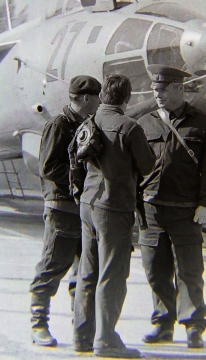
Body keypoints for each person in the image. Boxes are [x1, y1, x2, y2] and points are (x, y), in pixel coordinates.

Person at [137, 65, 206, 349]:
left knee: (190, 270)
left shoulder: (203, 124)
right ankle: (162, 323)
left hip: (186, 210)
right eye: (154, 89)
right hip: (151, 209)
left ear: (179, 88)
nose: (157, 93)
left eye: (162, 89)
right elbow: (135, 169)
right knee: (155, 269)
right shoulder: (144, 123)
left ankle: (193, 325)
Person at [73, 74, 155, 358]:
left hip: (88, 204)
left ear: (104, 95)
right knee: (112, 273)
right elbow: (147, 166)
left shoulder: (89, 122)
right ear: (126, 98)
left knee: (88, 271)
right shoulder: (129, 127)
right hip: (113, 207)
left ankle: (82, 335)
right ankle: (106, 340)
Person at [29, 75, 102, 347]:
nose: (99, 102)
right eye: (96, 97)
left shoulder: (89, 124)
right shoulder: (58, 126)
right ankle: (39, 324)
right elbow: (47, 168)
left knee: (83, 271)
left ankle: (80, 326)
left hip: (84, 209)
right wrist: (82, 177)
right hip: (62, 208)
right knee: (52, 267)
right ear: (85, 99)